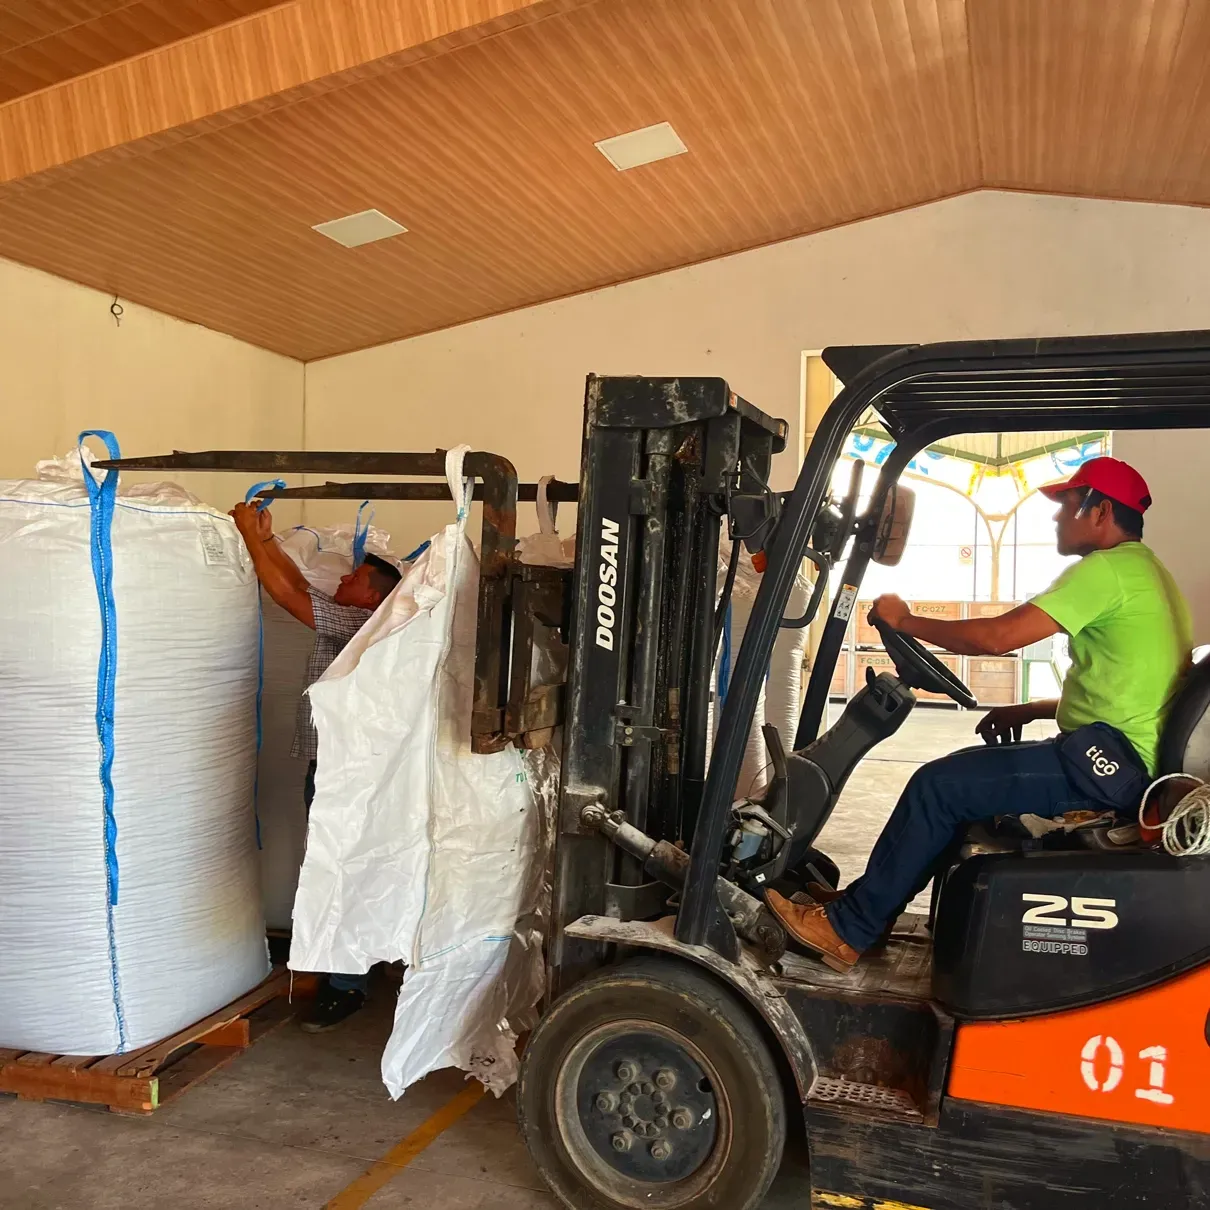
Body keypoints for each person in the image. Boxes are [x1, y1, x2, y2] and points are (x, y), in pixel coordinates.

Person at [766, 456, 1192, 972]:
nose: (1057, 518)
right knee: (957, 782)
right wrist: (1033, 707)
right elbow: (1132, 690)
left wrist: (906, 619)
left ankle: (849, 929)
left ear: (1100, 511)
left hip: (1110, 767)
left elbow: (997, 638)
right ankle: (868, 914)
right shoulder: (1150, 574)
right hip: (1116, 755)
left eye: (1066, 507)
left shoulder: (1107, 571)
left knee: (938, 786)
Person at [230, 501, 402, 1030]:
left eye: (353, 577)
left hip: (342, 776)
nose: (342, 580)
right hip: (330, 771)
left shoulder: (362, 622)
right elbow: (296, 589)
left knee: (338, 870)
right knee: (329, 866)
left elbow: (286, 596)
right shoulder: (350, 615)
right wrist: (263, 540)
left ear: (371, 595)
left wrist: (247, 535)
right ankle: (339, 971)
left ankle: (346, 983)